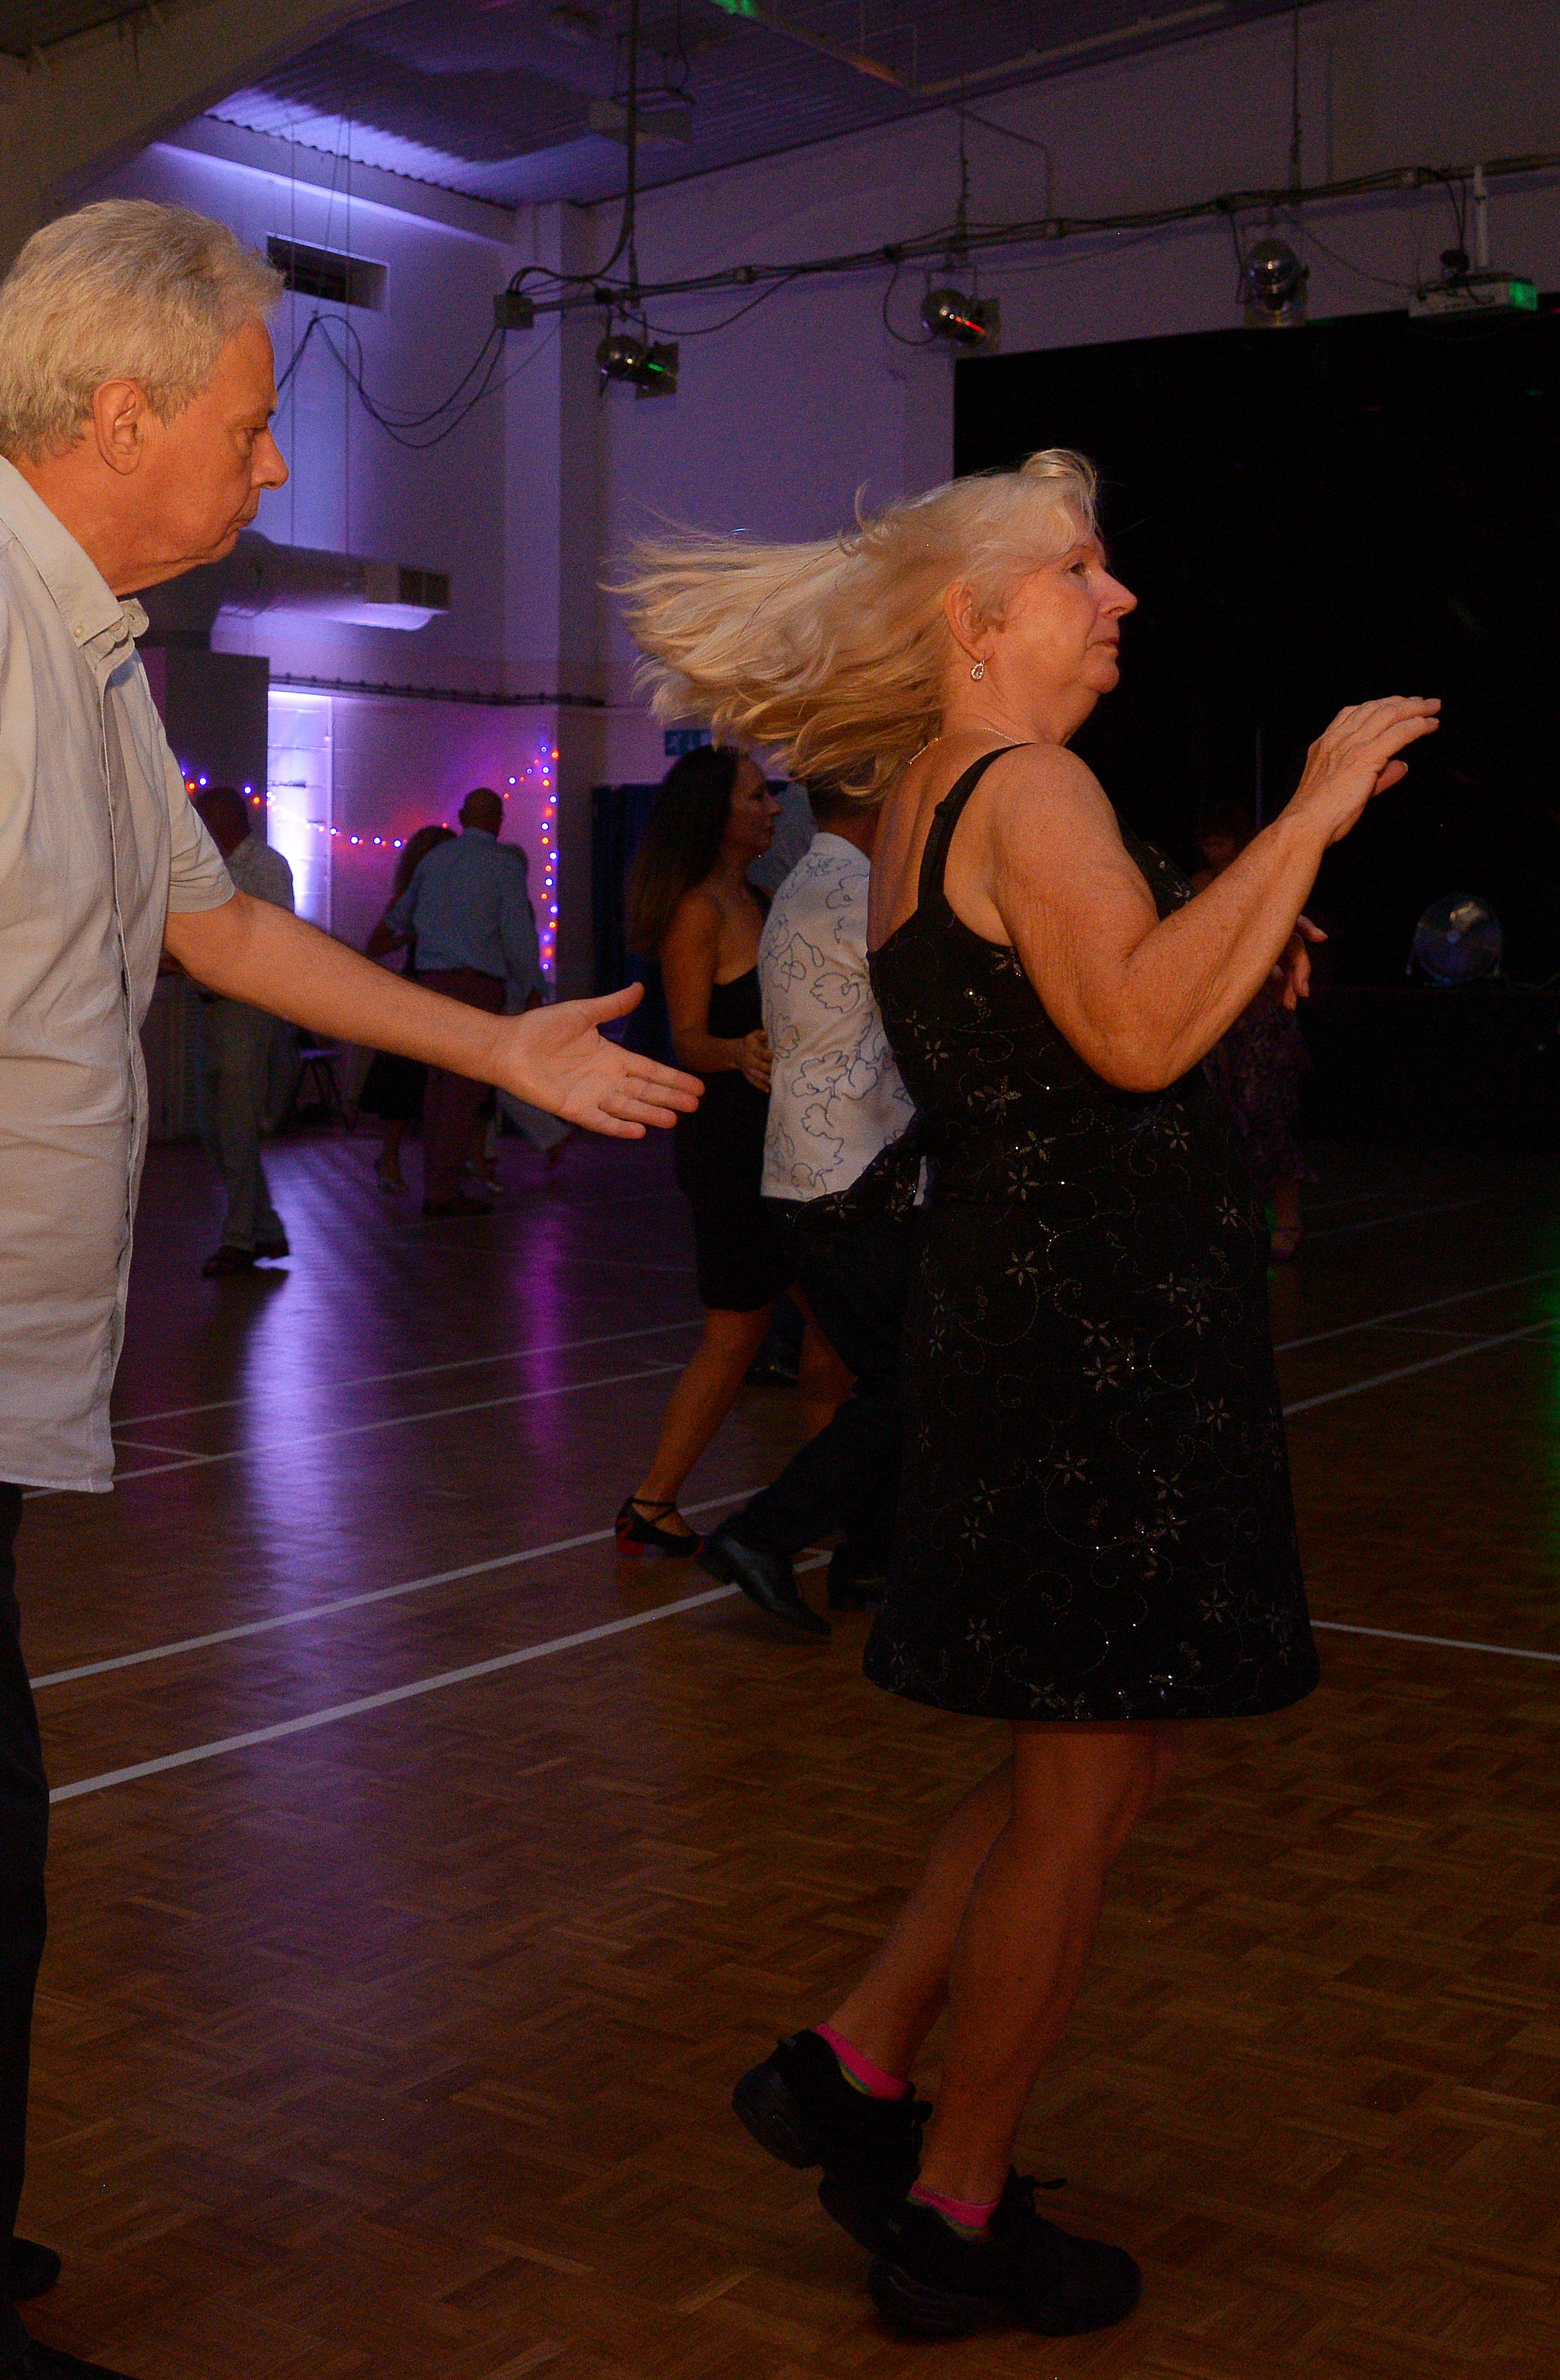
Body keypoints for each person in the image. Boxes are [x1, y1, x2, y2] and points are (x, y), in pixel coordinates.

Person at [0, 199, 698, 2380]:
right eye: (247, 421)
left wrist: (495, 1047)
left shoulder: (69, 629)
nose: (269, 464)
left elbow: (214, 926)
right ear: (118, 414)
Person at [624, 448, 1427, 2340]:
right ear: (977, 617)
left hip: (1050, 1318)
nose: (1117, 594)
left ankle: (854, 2059)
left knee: (1105, 1751)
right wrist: (1313, 814)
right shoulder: (1032, 785)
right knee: (1080, 1788)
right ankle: (955, 2211)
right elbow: (1134, 1034)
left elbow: (1097, 1011)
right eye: (1081, 568)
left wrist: (1235, 931)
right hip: (1090, 1345)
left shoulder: (931, 794)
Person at [695, 772, 917, 1636]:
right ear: (878, 799)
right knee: (905, 1383)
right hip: (849, 1176)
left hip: (813, 1171)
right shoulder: (858, 892)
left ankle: (867, 1561)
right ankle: (760, 1534)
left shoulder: (803, 881)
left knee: (888, 1376)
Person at [608, 745, 795, 1559]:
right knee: (736, 1331)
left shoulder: (759, 896)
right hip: (729, 1145)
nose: (773, 809)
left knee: (826, 1333)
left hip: (781, 1143)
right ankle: (652, 1501)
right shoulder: (699, 912)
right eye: (756, 797)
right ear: (717, 816)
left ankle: (830, 1504)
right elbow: (686, 1038)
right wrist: (739, 1052)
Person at [376, 786, 543, 1217]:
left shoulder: (434, 860)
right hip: (476, 986)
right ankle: (442, 1189)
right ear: (499, 820)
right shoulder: (504, 865)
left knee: (437, 1089)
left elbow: (399, 916)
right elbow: (518, 935)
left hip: (430, 983)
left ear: (463, 816)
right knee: (462, 1094)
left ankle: (437, 1181)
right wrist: (532, 986)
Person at [1187, 804, 1313, 1257]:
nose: (1214, 849)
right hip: (1219, 1015)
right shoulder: (1198, 885)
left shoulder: (1257, 881)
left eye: (1222, 841)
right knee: (1223, 1121)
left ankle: (1288, 1221)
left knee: (1267, 1118)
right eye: (1208, 842)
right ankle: (1236, 1221)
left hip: (1261, 1017)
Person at [188, 784, 296, 1278]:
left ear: (227, 819)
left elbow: (273, 938)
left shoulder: (265, 867)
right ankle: (264, 1227)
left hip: (246, 1007)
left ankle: (240, 1239)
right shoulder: (213, 868)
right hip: (216, 1005)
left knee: (234, 1127)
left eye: (204, 817)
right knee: (218, 1129)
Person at [358, 823, 452, 1190]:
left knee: (436, 1084)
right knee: (405, 1080)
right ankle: (392, 1157)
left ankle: (434, 1163)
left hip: (439, 993)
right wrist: (408, 938)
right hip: (415, 993)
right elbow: (376, 945)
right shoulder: (407, 900)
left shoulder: (450, 900)